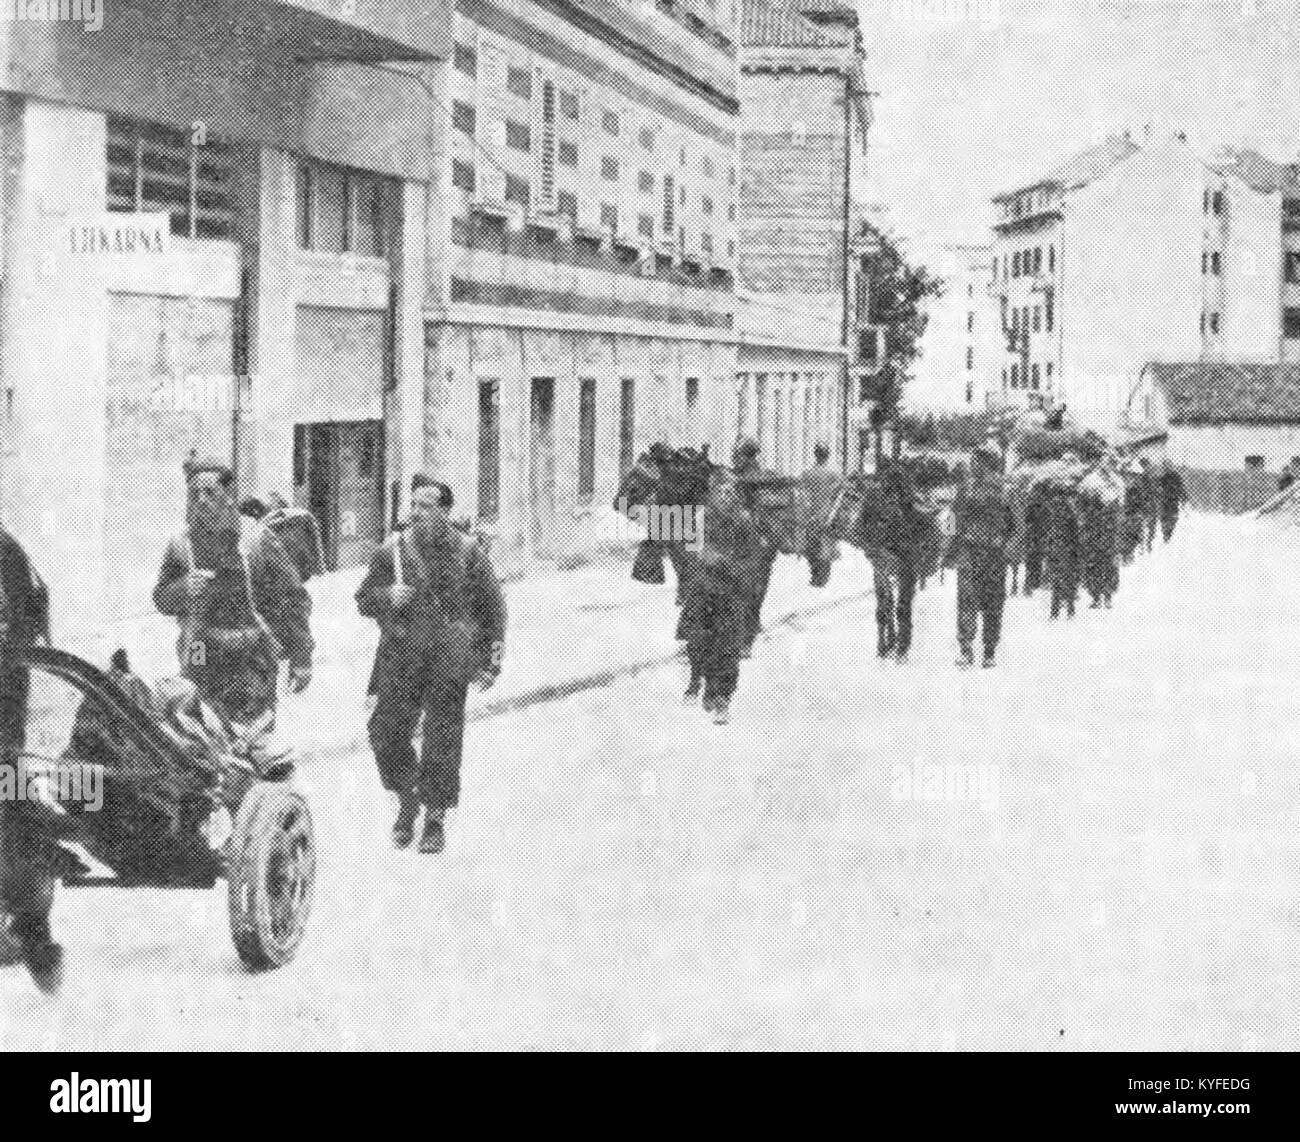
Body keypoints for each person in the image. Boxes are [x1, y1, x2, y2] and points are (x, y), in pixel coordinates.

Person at [357, 479, 506, 854]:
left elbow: (494, 607)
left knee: (442, 737)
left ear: (443, 512)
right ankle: (407, 798)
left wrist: (491, 662)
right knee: (385, 732)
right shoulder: (392, 551)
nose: (415, 512)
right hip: (401, 655)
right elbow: (362, 599)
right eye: (413, 505)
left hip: (448, 658)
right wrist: (386, 596)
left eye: (424, 506)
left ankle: (435, 816)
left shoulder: (468, 552)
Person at [153, 459, 313, 741]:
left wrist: (301, 656)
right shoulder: (181, 545)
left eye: (210, 492)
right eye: (194, 493)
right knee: (202, 733)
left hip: (251, 653)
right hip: (199, 649)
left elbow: (294, 597)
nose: (201, 500)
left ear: (228, 495)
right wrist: (182, 588)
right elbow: (161, 599)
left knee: (252, 739)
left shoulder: (256, 539)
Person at [0, 525, 62, 992]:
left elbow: (22, 637)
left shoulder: (7, 555)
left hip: (4, 714)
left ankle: (31, 930)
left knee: (12, 805)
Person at [680, 471, 762, 725]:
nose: (726, 496)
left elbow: (753, 558)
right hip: (703, 590)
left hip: (732, 593)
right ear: (712, 493)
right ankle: (701, 682)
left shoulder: (744, 520)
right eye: (721, 491)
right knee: (697, 642)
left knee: (728, 649)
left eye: (730, 491)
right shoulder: (701, 517)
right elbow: (688, 550)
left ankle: (722, 699)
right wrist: (701, 556)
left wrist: (730, 566)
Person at [949, 446, 1016, 669]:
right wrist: (951, 545)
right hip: (971, 552)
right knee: (969, 601)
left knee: (992, 604)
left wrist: (1005, 546)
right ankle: (968, 650)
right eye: (973, 461)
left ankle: (988, 651)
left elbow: (1013, 525)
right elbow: (952, 518)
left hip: (992, 555)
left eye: (977, 461)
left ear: (987, 464)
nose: (973, 465)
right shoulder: (966, 488)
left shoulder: (1003, 491)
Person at [732, 438, 779, 655]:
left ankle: (744, 641)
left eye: (738, 454)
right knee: (756, 588)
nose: (736, 458)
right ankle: (749, 632)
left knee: (745, 589)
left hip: (747, 540)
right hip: (763, 541)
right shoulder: (765, 476)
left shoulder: (741, 478)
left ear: (745, 455)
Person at [799, 443, 842, 588]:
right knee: (825, 545)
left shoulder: (806, 474)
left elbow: (801, 495)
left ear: (815, 455)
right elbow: (840, 495)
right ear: (827, 456)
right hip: (828, 515)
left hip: (810, 515)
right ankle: (823, 576)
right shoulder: (834, 475)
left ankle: (815, 574)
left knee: (811, 544)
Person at [262, 491, 326, 582]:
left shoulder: (266, 522)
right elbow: (315, 542)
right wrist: (320, 566)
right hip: (298, 563)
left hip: (285, 567)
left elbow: (315, 540)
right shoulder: (304, 515)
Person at [1043, 482, 1082, 620]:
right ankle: (1069, 609)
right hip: (1066, 550)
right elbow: (1075, 533)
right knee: (1068, 580)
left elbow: (1046, 531)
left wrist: (1048, 547)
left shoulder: (1051, 510)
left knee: (1056, 581)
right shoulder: (1070, 511)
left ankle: (1055, 611)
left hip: (1055, 549)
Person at [1158, 462, 1188, 543]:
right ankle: (1165, 533)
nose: (1167, 469)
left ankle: (1168, 534)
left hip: (1173, 501)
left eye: (1169, 467)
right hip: (1165, 501)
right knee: (1164, 518)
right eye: (1166, 467)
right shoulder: (1163, 477)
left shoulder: (1177, 477)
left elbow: (1181, 488)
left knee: (1172, 518)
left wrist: (1184, 499)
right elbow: (1158, 487)